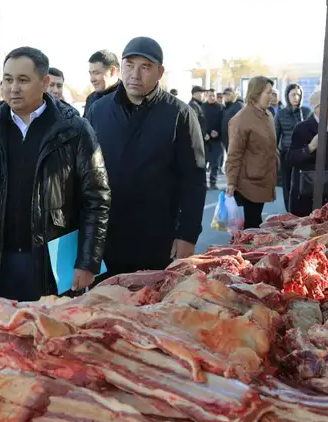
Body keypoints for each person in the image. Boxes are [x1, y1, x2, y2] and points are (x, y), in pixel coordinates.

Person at [0, 46, 110, 303]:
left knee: (50, 328)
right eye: (8, 79)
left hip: (54, 264)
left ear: (44, 83)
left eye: (23, 80)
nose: (13, 88)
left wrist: (88, 261)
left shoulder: (74, 131)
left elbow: (97, 198)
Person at [87, 36, 205, 274]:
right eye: (129, 65)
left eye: (145, 67)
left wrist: (187, 235)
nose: (135, 74)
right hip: (108, 237)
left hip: (159, 238)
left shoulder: (179, 114)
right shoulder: (98, 111)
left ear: (159, 72)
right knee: (107, 296)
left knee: (156, 296)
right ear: (120, 67)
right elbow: (86, 173)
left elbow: (194, 179)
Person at [225, 77, 277, 229]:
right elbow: (234, 153)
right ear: (256, 93)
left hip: (263, 178)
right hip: (248, 183)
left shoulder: (267, 115)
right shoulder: (242, 119)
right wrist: (231, 182)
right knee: (251, 226)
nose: (271, 96)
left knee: (255, 224)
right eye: (268, 92)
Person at [288, 90, 328, 216]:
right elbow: (291, 158)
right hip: (306, 192)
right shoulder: (302, 128)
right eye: (327, 107)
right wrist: (310, 148)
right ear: (316, 107)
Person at [274, 83, 312, 212]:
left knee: (303, 183)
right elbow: (275, 136)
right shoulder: (280, 114)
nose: (296, 97)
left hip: (304, 153)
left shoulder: (306, 112)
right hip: (286, 153)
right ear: (287, 96)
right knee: (287, 185)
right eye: (293, 94)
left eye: (298, 95)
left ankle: (302, 210)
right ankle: (289, 211)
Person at [84, 49, 120, 118]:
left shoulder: (129, 96)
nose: (92, 79)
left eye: (96, 73)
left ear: (112, 71)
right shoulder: (90, 99)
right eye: (91, 74)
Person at [201, 89, 224, 189]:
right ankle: (203, 183)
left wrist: (218, 132)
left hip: (217, 139)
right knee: (203, 162)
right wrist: (204, 133)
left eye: (213, 95)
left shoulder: (221, 108)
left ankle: (213, 182)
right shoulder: (202, 107)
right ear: (207, 96)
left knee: (215, 163)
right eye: (210, 95)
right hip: (205, 139)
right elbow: (199, 122)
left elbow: (223, 122)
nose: (212, 97)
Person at [221, 87, 243, 153]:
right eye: (225, 95)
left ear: (233, 95)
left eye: (228, 94)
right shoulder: (225, 107)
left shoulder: (238, 105)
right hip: (226, 140)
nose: (226, 96)